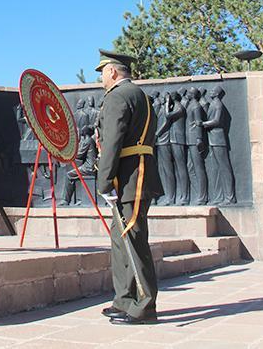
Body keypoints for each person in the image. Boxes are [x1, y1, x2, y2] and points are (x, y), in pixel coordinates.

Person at [95, 49, 162, 325]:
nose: (101, 79)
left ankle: (145, 305)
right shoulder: (142, 97)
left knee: (132, 239)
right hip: (137, 172)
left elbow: (112, 141)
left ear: (112, 71)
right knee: (121, 239)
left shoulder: (117, 97)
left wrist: (105, 180)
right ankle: (124, 300)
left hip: (128, 176)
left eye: (102, 73)